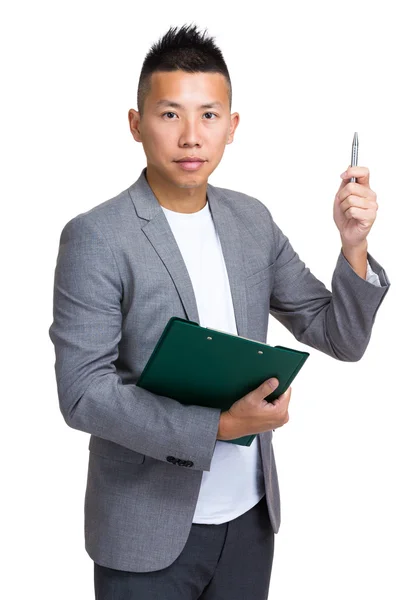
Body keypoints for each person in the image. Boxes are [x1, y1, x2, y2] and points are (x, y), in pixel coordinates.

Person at [48, 23, 390, 600]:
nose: (190, 136)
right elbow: (83, 394)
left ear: (232, 128)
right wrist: (222, 427)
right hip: (143, 530)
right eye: (169, 114)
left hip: (249, 521)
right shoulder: (96, 237)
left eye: (208, 115)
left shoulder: (251, 220)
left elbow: (339, 335)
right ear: (136, 124)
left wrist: (352, 244)